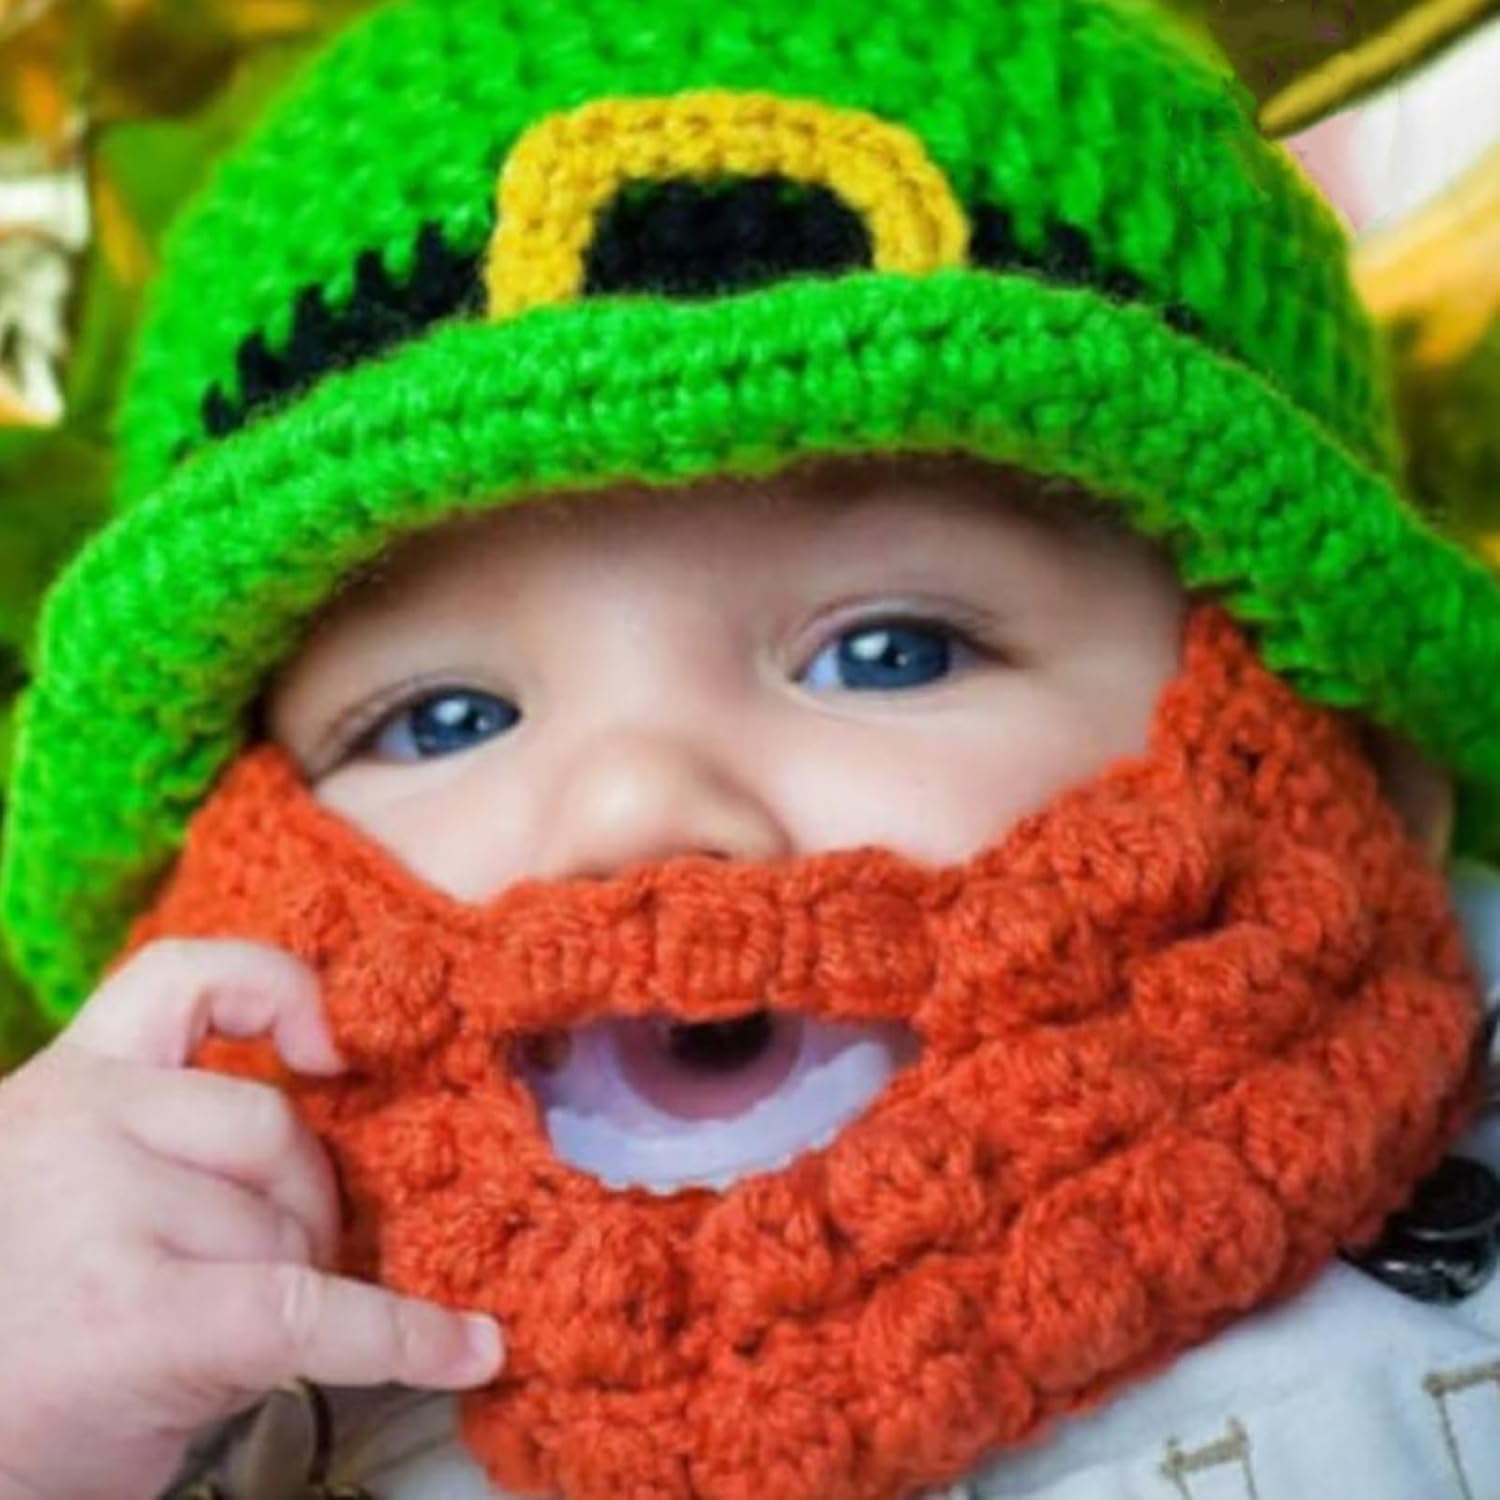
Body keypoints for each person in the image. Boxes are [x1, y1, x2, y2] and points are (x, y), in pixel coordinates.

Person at [1, 1, 1498, 1498]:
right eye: (442, 721)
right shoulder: (196, 1324)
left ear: (1351, 753)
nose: (635, 806)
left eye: (890, 652)